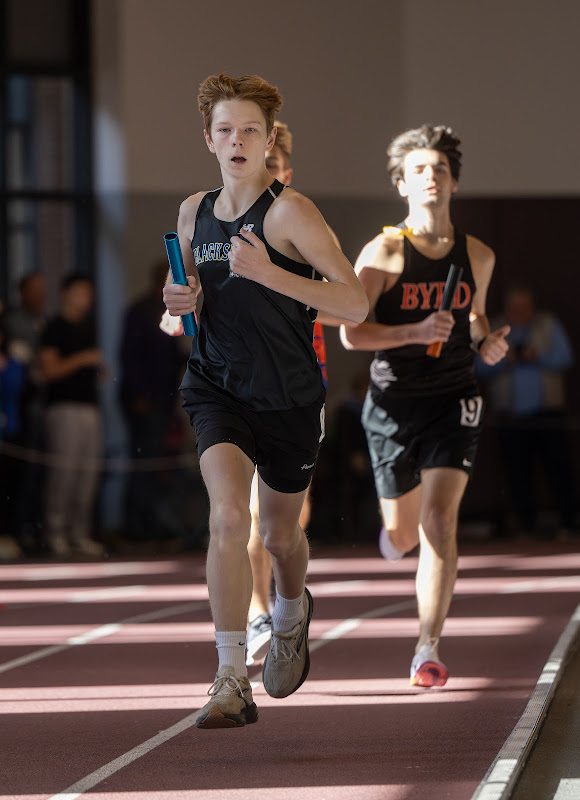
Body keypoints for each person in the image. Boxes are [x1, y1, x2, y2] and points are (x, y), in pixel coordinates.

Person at [162, 73, 368, 729]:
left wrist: (273, 273)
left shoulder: (291, 214)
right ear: (208, 140)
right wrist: (177, 309)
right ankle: (229, 676)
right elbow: (182, 304)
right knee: (228, 517)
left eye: (250, 129)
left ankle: (290, 611)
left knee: (281, 536)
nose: (237, 140)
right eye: (225, 130)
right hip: (217, 388)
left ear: (269, 138)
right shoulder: (192, 211)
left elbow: (355, 302)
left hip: (287, 398)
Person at [341, 124, 509, 688]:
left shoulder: (478, 255)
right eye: (419, 170)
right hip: (392, 403)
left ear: (454, 182)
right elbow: (351, 336)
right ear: (402, 185)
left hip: (454, 397)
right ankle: (396, 536)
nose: (431, 177)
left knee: (441, 521)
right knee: (407, 533)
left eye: (439, 169)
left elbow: (477, 316)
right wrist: (413, 333)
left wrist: (487, 340)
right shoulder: (386, 251)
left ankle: (427, 646)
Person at [246, 121, 340, 666]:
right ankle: (259, 613)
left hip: (300, 382)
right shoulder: (223, 221)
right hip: (237, 384)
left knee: (284, 521)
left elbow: (345, 300)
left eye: (275, 166)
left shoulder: (303, 221)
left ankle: (286, 600)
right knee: (238, 515)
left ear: (286, 172)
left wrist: (283, 289)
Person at [477, 285, 577, 537]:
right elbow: (479, 368)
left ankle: (569, 523)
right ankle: (526, 526)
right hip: (510, 416)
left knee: (559, 470)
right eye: (515, 307)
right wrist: (504, 360)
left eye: (525, 307)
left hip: (548, 414)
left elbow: (565, 359)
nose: (520, 311)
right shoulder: (494, 326)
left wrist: (537, 356)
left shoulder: (548, 324)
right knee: (517, 473)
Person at [38, 274, 106, 558]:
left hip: (90, 407)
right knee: (63, 473)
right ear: (66, 293)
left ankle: (78, 533)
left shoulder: (89, 327)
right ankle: (55, 532)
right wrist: (83, 359)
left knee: (87, 473)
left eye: (89, 293)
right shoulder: (54, 327)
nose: (85, 299)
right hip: (63, 408)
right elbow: (49, 371)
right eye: (80, 292)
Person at [119, 260, 184, 544]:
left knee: (156, 465)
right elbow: (130, 358)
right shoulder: (141, 311)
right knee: (143, 464)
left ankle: (148, 524)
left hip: (163, 399)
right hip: (144, 401)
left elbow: (171, 358)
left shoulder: (167, 312)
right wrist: (137, 396)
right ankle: (136, 526)